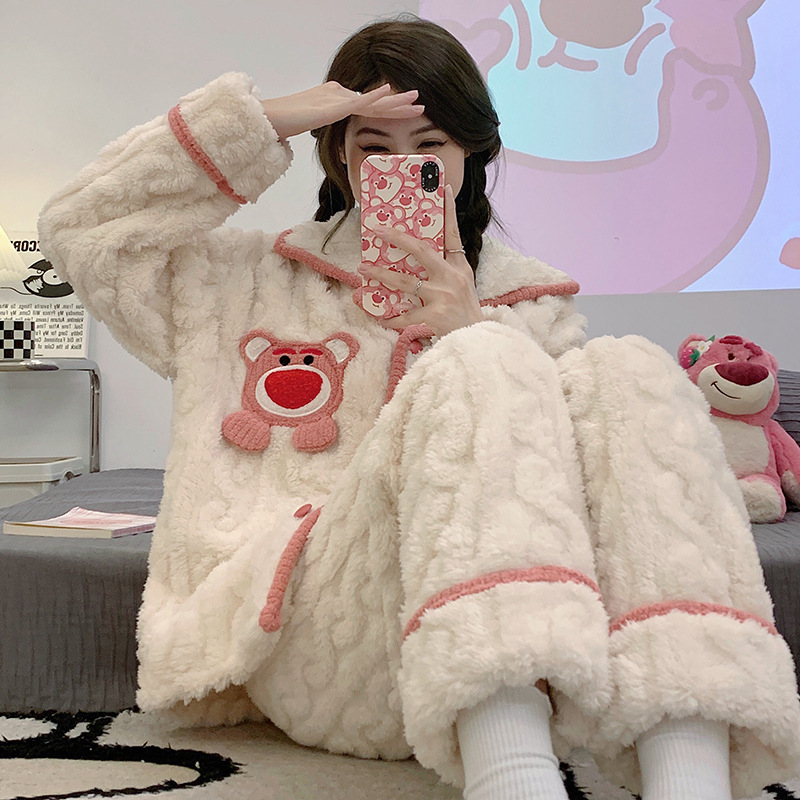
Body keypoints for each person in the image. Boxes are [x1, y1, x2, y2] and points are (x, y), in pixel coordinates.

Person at [38, 16, 800, 800]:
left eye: (429, 147)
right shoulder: (240, 280)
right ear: (339, 154)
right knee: (484, 356)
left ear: (470, 153)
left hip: (530, 653)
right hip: (319, 643)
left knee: (629, 367)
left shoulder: (535, 303)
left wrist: (473, 326)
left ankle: (689, 773)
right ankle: (512, 779)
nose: (401, 167)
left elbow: (578, 509)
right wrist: (267, 119)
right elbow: (81, 229)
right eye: (374, 148)